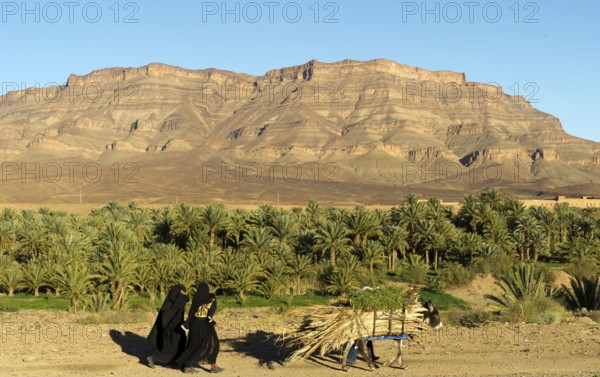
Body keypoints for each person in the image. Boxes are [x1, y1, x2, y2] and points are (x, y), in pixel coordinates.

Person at [176, 282, 223, 374]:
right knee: (211, 343)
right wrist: (212, 294)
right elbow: (213, 305)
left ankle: (212, 365)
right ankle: (190, 365)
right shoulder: (209, 298)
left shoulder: (196, 298)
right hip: (204, 324)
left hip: (196, 323)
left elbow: (191, 312)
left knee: (196, 345)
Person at [147, 284, 189, 368]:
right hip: (174, 328)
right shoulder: (177, 301)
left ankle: (171, 362)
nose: (185, 293)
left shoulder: (170, 302)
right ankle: (154, 358)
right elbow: (184, 300)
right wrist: (183, 295)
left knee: (178, 345)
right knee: (171, 348)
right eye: (183, 291)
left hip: (172, 328)